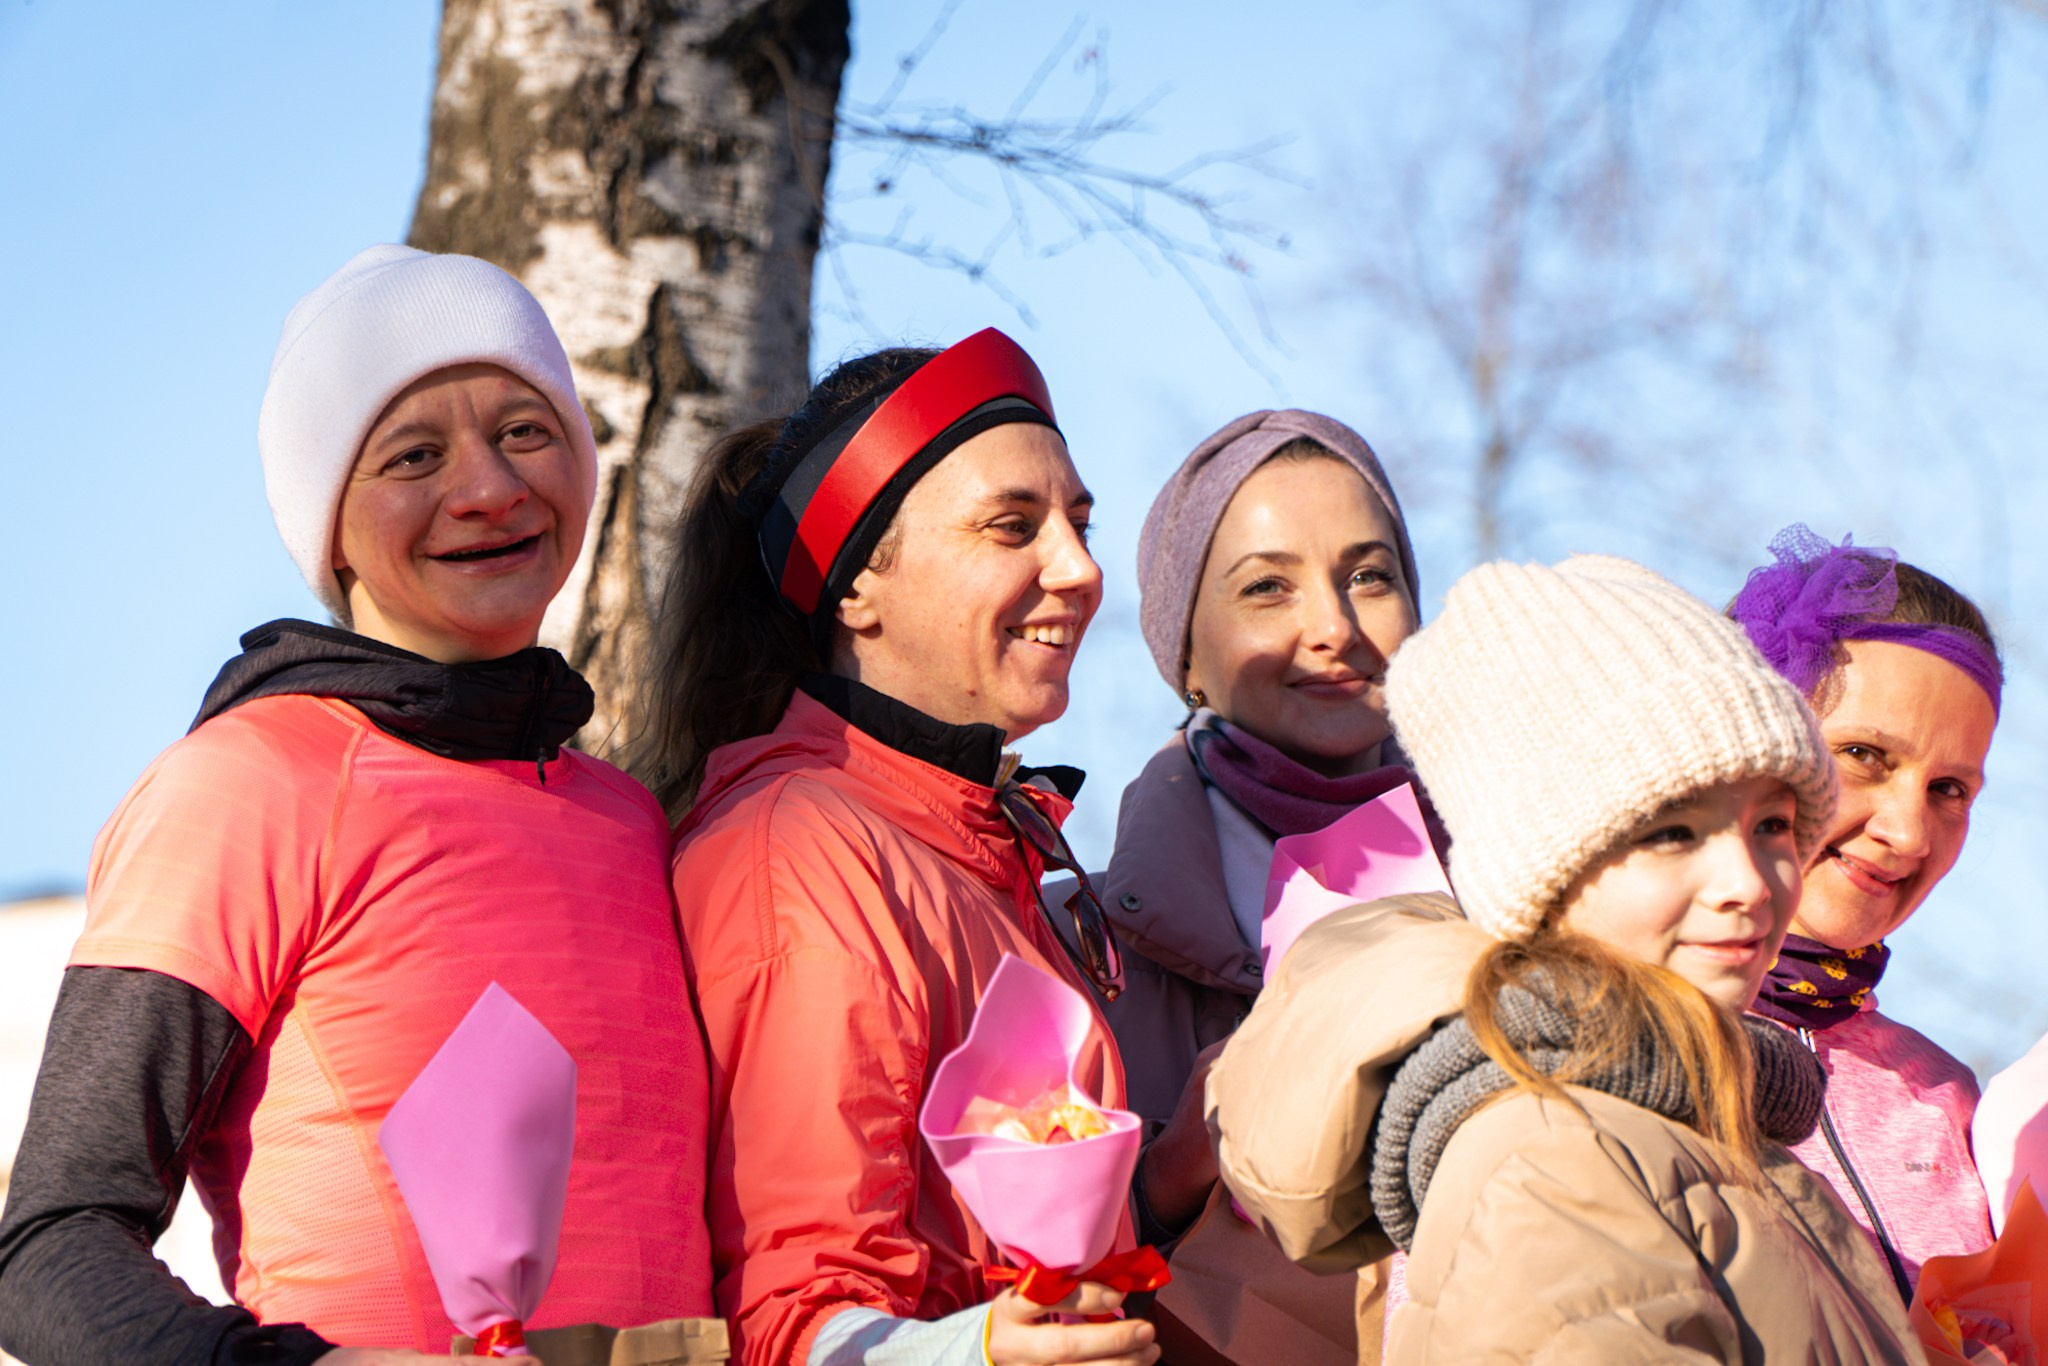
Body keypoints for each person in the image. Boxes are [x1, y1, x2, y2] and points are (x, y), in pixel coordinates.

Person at [0, 246, 716, 1364]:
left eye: (526, 431)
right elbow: (49, 1245)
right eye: (412, 455)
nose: (488, 488)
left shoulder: (630, 819)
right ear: (328, 524)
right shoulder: (243, 785)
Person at [1211, 555, 1921, 1362]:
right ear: (1543, 877)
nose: (1747, 882)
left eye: (1774, 825)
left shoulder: (1681, 1118)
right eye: (1672, 833)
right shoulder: (1555, 1163)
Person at [638, 330, 1158, 1366]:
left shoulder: (978, 842)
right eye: (1011, 526)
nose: (1079, 567)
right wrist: (984, 1354)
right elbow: (792, 1316)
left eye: (1077, 521)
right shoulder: (798, 854)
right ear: (855, 589)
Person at [1086, 410, 1425, 1364]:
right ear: (1183, 653)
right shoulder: (1071, 942)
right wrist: (1164, 1181)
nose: (1334, 626)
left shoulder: (1534, 910)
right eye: (1267, 588)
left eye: (1369, 576)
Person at [1729, 525, 2004, 1295]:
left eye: (1949, 789)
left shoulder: (1950, 1100)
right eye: (1865, 756)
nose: (1909, 832)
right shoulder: (1583, 1040)